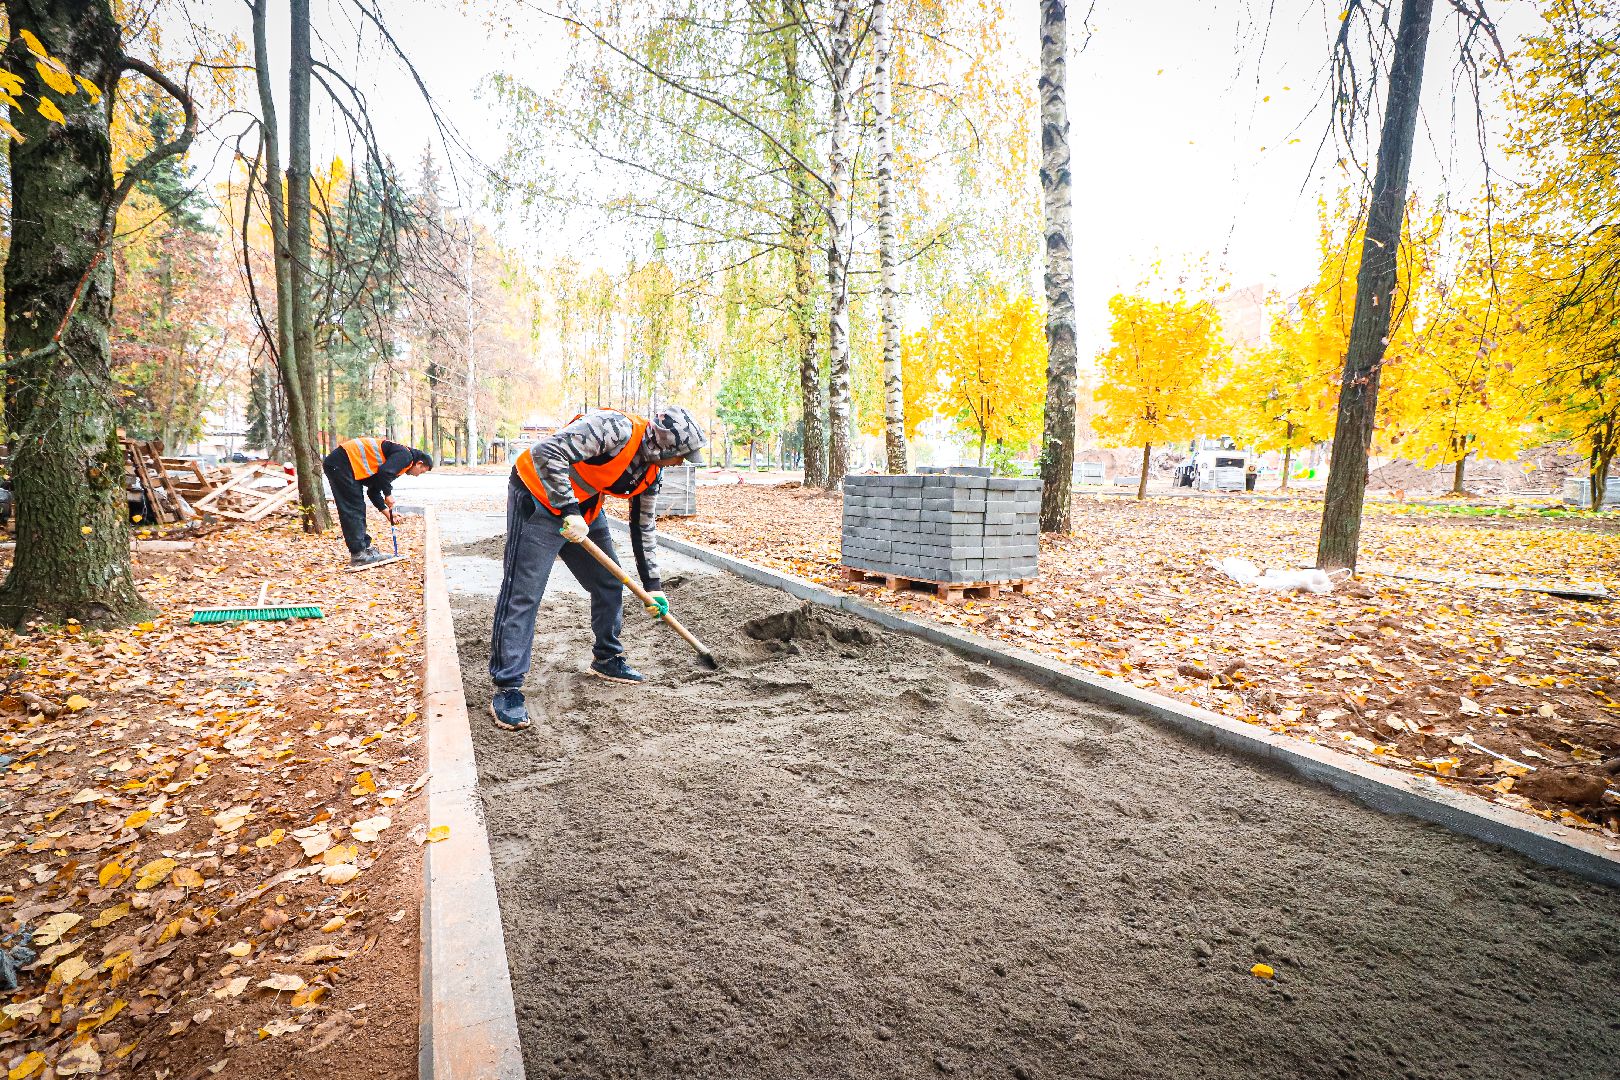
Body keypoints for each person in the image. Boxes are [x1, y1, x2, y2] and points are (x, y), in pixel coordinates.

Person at [488, 406, 707, 731]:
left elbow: (643, 526)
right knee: (524, 592)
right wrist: (567, 509)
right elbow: (545, 451)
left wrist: (653, 585)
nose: (680, 464)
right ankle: (507, 688)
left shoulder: (651, 473)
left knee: (608, 581)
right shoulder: (613, 429)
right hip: (537, 496)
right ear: (664, 446)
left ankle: (607, 657)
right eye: (680, 456)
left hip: (584, 510)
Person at [321, 437, 433, 566]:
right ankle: (359, 555)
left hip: (348, 466)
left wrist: (387, 513)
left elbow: (373, 491)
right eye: (421, 471)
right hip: (341, 463)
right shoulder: (406, 456)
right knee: (353, 507)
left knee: (358, 506)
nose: (418, 475)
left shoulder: (401, 465)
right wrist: (388, 494)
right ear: (419, 463)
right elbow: (384, 473)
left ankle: (364, 549)